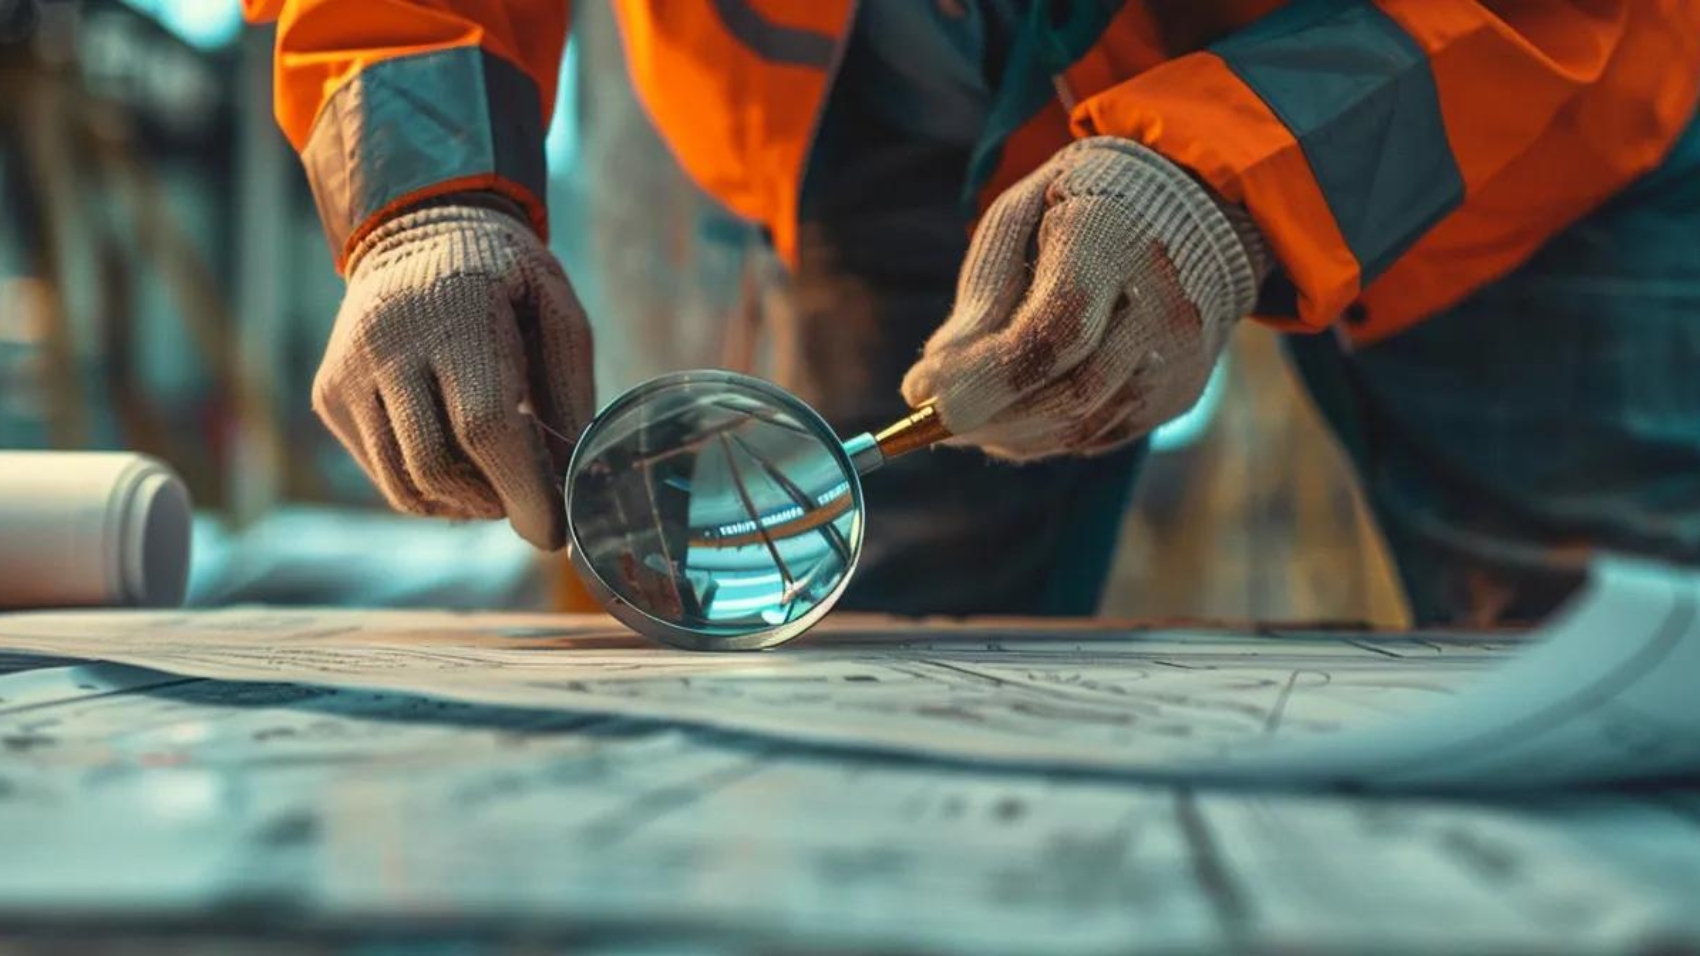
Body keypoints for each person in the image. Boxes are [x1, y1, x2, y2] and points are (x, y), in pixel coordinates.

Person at [242, 0, 1700, 626]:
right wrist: (432, 195)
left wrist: (1225, 183)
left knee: (1606, 708)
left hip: (1481, 111)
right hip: (887, 109)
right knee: (876, 715)